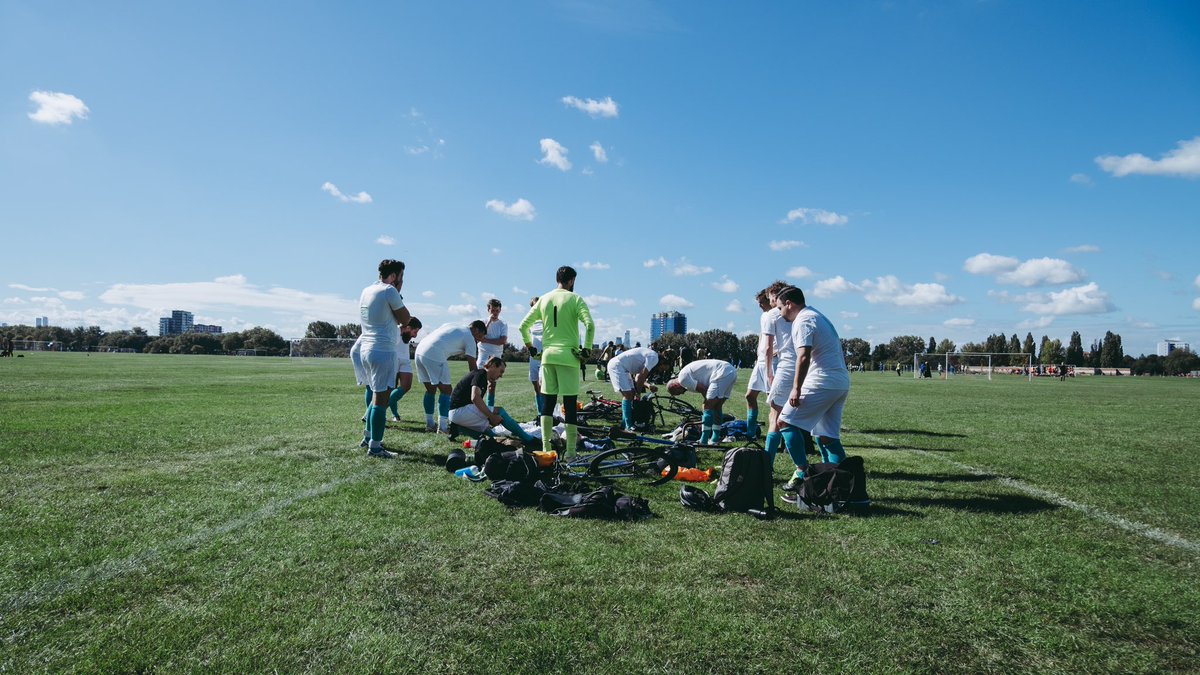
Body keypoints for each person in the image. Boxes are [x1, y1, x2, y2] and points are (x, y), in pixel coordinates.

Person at [773, 285, 851, 494]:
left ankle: (802, 473)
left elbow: (803, 356)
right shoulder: (818, 316)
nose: (780, 313)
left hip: (822, 380)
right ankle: (842, 485)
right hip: (840, 382)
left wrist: (796, 388)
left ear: (789, 304)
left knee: (784, 422)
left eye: (780, 308)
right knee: (827, 437)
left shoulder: (803, 320)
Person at [519, 266, 595, 457]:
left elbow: (523, 326)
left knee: (547, 404)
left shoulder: (544, 299)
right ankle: (570, 453)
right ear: (572, 280)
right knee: (569, 406)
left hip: (548, 357)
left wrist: (530, 347)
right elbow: (590, 325)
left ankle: (546, 450)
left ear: (557, 279)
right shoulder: (575, 298)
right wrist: (586, 349)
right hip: (569, 358)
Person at [353, 259, 411, 459]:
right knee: (381, 399)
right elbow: (406, 319)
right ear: (393, 276)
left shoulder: (367, 290)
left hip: (366, 349)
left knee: (375, 397)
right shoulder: (389, 291)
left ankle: (368, 437)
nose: (402, 281)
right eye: (401, 277)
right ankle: (375, 447)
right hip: (383, 350)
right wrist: (398, 295)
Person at [414, 320, 487, 433]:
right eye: (480, 337)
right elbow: (473, 368)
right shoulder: (470, 337)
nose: (479, 340)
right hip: (434, 352)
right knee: (446, 390)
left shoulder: (453, 325)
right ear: (476, 330)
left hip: (419, 350)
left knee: (430, 390)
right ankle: (443, 427)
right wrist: (478, 382)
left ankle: (430, 424)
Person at [447, 357, 538, 446]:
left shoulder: (481, 376)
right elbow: (475, 398)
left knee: (490, 435)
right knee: (500, 411)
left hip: (457, 413)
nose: (501, 375)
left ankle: (458, 428)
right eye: (501, 371)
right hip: (459, 411)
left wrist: (489, 416)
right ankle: (529, 439)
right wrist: (491, 416)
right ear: (493, 366)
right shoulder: (481, 374)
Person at [667, 358, 738, 445]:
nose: (682, 393)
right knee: (717, 406)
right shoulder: (684, 375)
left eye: (678, 392)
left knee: (707, 406)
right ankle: (714, 439)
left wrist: (708, 405)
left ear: (674, 386)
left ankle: (703, 440)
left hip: (721, 373)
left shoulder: (683, 380)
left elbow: (704, 389)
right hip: (730, 371)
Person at [743, 287, 776, 439]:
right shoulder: (764, 316)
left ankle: (775, 435)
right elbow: (762, 335)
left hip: (773, 362)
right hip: (760, 361)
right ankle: (750, 432)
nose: (759, 305)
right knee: (750, 396)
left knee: (773, 402)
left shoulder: (777, 315)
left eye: (762, 302)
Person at [607, 345, 662, 430]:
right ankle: (628, 425)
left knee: (631, 394)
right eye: (664, 368)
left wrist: (648, 386)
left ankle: (624, 423)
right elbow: (640, 377)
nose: (663, 370)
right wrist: (638, 393)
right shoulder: (654, 358)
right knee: (628, 395)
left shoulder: (652, 356)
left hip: (623, 368)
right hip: (617, 366)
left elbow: (637, 378)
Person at [387, 317, 422, 422]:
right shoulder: (395, 331)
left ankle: (380, 408)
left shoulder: (405, 334)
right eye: (415, 332)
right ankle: (393, 414)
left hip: (405, 360)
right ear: (408, 328)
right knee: (390, 389)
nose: (415, 336)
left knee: (406, 386)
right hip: (393, 359)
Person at [476, 298, 508, 409]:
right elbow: (479, 336)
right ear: (488, 310)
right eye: (493, 310)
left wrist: (486, 340)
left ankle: (489, 408)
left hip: (496, 356)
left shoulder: (503, 324)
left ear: (500, 311)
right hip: (483, 354)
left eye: (497, 311)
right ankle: (477, 407)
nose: (495, 313)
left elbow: (502, 341)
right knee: (479, 382)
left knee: (492, 384)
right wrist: (488, 322)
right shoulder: (482, 322)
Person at [526, 297, 545, 416]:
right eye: (534, 305)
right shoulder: (529, 321)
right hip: (533, 358)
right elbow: (526, 336)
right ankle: (540, 413)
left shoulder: (546, 318)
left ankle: (545, 414)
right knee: (536, 387)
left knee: (543, 385)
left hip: (544, 357)